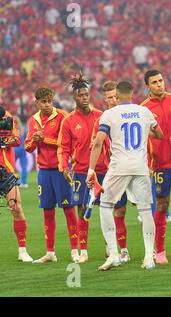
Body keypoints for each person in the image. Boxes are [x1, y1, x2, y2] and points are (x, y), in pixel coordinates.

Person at [87, 81, 163, 271]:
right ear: (132, 94)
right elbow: (159, 134)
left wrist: (90, 170)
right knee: (145, 210)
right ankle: (148, 257)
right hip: (140, 167)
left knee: (105, 205)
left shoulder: (109, 114)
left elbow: (98, 143)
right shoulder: (144, 111)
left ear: (118, 96)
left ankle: (113, 253)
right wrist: (147, 132)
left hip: (119, 167)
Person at [58, 72, 108, 264]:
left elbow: (109, 143)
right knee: (81, 211)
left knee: (106, 209)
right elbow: (64, 148)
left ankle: (109, 249)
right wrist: (64, 166)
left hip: (102, 170)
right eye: (80, 95)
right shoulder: (69, 121)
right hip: (80, 172)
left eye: (87, 94)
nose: (84, 98)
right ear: (74, 97)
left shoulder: (101, 116)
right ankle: (83, 251)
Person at [25, 87, 79, 263]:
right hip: (43, 172)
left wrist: (44, 140)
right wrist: (34, 140)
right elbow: (28, 147)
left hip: (61, 170)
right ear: (37, 103)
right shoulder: (33, 121)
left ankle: (75, 251)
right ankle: (50, 252)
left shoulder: (63, 116)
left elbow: (67, 144)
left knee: (68, 209)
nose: (48, 105)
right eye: (44, 102)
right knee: (47, 211)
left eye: (50, 101)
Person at [140, 69, 171, 264]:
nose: (160, 84)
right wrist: (146, 163)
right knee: (161, 204)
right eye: (155, 82)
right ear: (148, 86)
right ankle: (159, 251)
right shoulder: (143, 108)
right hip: (159, 164)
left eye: (161, 80)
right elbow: (142, 139)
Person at [95, 81, 130, 262]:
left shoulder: (128, 116)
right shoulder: (102, 118)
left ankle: (123, 249)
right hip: (105, 171)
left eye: (116, 97)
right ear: (105, 99)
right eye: (110, 98)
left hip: (125, 168)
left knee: (121, 210)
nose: (114, 100)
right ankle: (110, 247)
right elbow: (96, 144)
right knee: (106, 210)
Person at [0, 106, 33, 262]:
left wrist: (2, 140)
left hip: (5, 170)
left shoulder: (6, 116)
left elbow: (17, 139)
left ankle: (22, 250)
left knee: (16, 208)